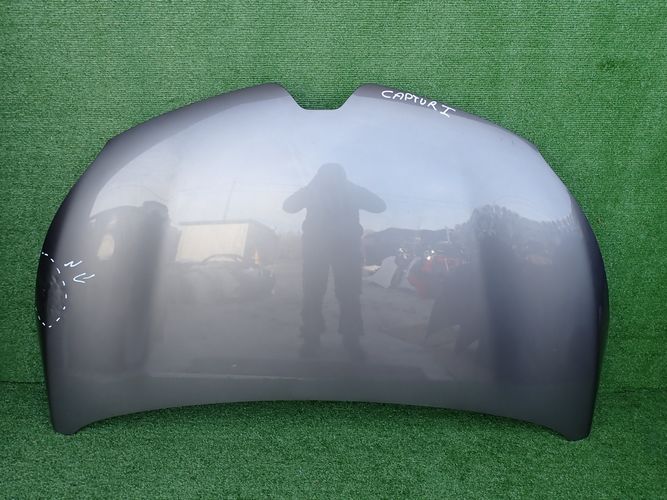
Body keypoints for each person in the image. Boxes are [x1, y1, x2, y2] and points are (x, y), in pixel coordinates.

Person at [283, 163, 386, 359]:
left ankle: (324, 339)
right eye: (327, 176)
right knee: (326, 294)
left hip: (335, 248)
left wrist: (313, 187)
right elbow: (288, 207)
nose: (330, 181)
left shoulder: (333, 190)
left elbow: (380, 206)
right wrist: (312, 188)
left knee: (337, 294)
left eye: (334, 176)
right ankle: (336, 340)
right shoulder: (317, 191)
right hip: (327, 248)